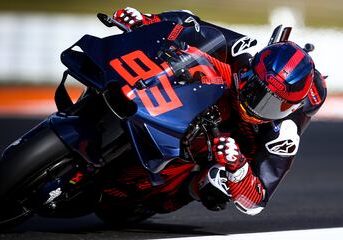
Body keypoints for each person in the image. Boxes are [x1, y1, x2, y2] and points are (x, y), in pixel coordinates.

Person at [111, 7, 327, 215]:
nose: (258, 107)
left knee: (215, 182)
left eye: (274, 105)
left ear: (292, 108)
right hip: (216, 94)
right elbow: (190, 22)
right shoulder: (241, 53)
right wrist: (147, 21)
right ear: (250, 72)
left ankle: (176, 191)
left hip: (238, 140)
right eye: (256, 91)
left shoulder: (284, 134)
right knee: (189, 57)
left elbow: (256, 202)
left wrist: (237, 165)